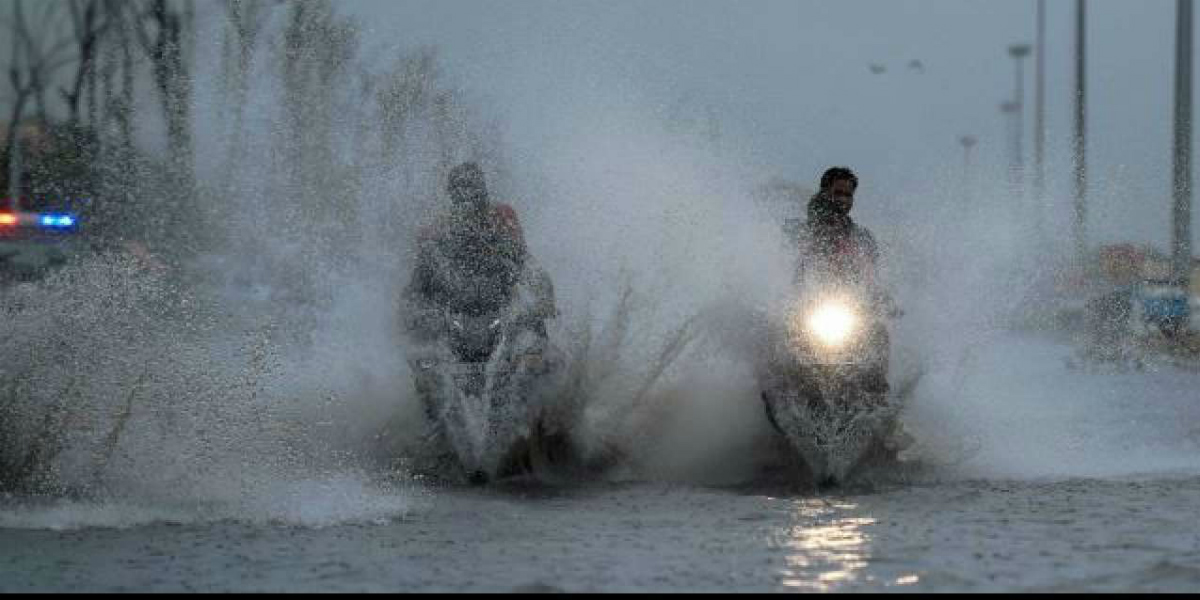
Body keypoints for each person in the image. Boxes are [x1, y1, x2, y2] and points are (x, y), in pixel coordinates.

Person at [405, 162, 555, 336]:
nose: (467, 197)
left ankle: (538, 348)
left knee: (533, 340)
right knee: (422, 328)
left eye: (472, 189)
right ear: (453, 196)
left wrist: (544, 299)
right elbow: (422, 266)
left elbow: (525, 260)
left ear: (482, 192)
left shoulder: (501, 216)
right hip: (457, 302)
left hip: (501, 298)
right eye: (460, 191)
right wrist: (413, 311)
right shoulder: (441, 227)